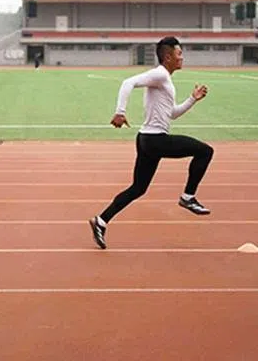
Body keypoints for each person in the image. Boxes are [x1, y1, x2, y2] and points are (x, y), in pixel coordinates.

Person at [88, 36, 214, 250]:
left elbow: (171, 114)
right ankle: (188, 196)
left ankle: (101, 221)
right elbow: (128, 82)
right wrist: (120, 112)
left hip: (146, 139)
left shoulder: (164, 79)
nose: (182, 57)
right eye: (179, 53)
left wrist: (192, 99)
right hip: (156, 140)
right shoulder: (160, 74)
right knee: (205, 151)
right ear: (167, 57)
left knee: (138, 188)